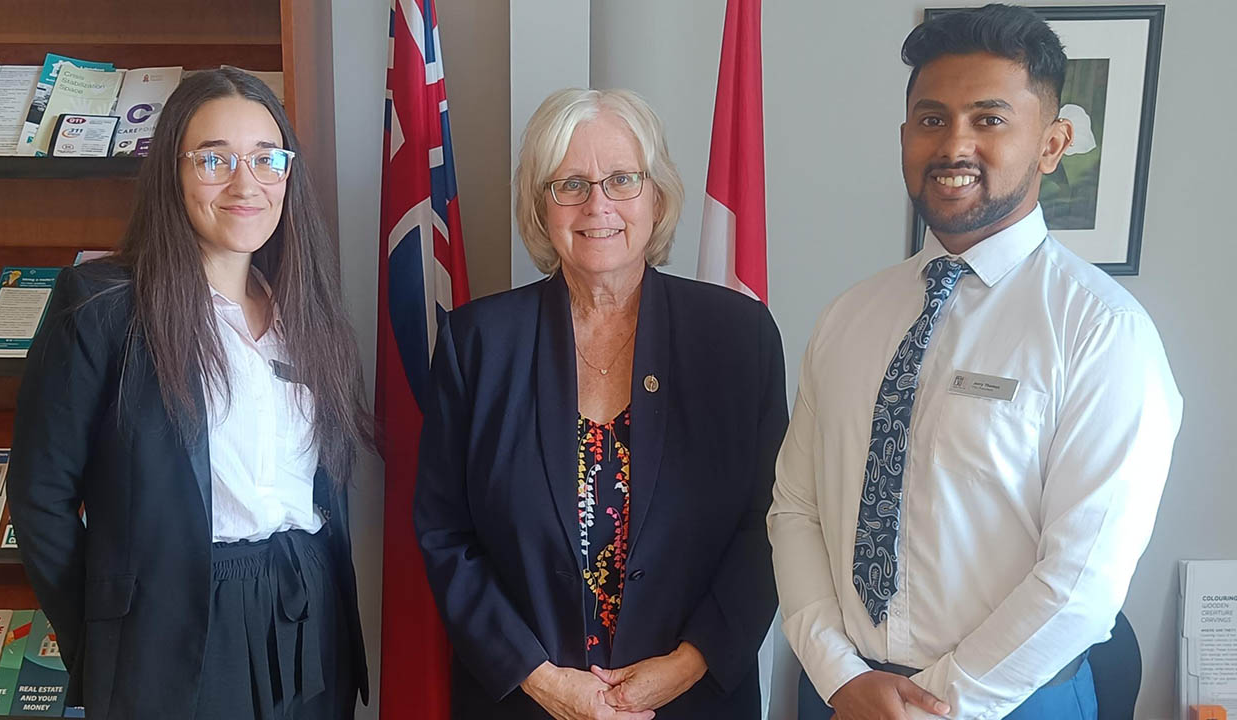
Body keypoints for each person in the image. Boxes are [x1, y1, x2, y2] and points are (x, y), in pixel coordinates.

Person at [768, 5, 1183, 720]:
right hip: (842, 693)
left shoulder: (1103, 333)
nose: (954, 143)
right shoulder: (848, 318)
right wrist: (839, 677)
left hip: (1011, 700)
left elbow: (1083, 582)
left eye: (990, 119)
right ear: (905, 137)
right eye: (931, 119)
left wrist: (932, 706)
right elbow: (795, 508)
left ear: (1052, 144)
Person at [6, 68, 371, 720]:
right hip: (173, 627)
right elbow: (40, 498)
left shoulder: (306, 309)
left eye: (267, 159)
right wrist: (99, 637)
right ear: (172, 170)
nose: (245, 183)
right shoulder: (101, 307)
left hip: (307, 608)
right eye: (214, 159)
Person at [413, 88, 788, 719]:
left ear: (657, 195)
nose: (599, 205)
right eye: (571, 184)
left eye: (622, 179)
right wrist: (540, 679)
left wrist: (686, 665)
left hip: (693, 699)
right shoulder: (477, 344)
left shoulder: (737, 337)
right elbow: (446, 534)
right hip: (525, 701)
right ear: (541, 204)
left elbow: (774, 523)